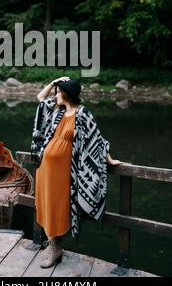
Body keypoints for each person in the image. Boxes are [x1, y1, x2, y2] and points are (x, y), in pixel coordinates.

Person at [31, 76, 122, 269]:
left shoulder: (82, 114)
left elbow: (96, 138)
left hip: (64, 171)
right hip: (45, 169)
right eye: (56, 91)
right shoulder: (57, 111)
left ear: (67, 94)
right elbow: (40, 98)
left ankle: (56, 248)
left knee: (59, 207)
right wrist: (53, 82)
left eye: (59, 91)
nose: (56, 94)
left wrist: (109, 159)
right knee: (47, 205)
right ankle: (53, 247)